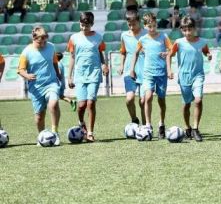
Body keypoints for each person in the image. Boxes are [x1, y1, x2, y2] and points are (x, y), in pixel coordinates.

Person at [167, 16, 212, 141]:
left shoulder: (202, 41)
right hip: (184, 77)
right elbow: (169, 55)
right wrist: (169, 70)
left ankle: (196, 129)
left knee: (198, 100)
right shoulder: (179, 42)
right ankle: (187, 128)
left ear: (194, 29)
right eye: (185, 30)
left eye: (190, 30)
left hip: (198, 75)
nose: (187, 33)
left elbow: (206, 51)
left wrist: (208, 55)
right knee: (186, 104)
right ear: (181, 30)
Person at [18, 26, 64, 146]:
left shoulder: (51, 47)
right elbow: (20, 70)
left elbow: (54, 61)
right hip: (36, 88)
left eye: (45, 40)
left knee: (53, 104)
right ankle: (42, 136)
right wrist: (27, 76)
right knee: (39, 116)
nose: (43, 43)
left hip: (51, 83)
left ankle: (55, 133)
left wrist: (58, 75)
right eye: (40, 41)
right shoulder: (26, 52)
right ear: (34, 38)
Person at [67, 12, 108, 142]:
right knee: (81, 105)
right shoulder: (74, 38)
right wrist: (69, 76)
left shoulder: (98, 38)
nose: (84, 28)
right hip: (80, 74)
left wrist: (104, 65)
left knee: (91, 103)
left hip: (94, 73)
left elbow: (101, 53)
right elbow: (72, 57)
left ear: (91, 24)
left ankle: (90, 132)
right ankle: (81, 122)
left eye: (86, 25)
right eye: (82, 25)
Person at [131, 12, 172, 139]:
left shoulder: (163, 37)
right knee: (147, 97)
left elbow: (171, 50)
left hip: (161, 74)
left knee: (161, 100)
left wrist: (168, 64)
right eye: (150, 27)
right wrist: (131, 69)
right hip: (148, 74)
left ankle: (161, 124)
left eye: (154, 26)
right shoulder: (142, 40)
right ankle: (148, 125)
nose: (152, 29)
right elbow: (135, 53)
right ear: (145, 27)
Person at [118, 10, 146, 124]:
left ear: (139, 22)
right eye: (129, 25)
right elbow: (123, 52)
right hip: (129, 71)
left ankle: (146, 126)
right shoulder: (124, 35)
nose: (131, 27)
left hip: (144, 70)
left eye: (134, 24)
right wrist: (121, 65)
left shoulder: (146, 34)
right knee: (129, 99)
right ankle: (134, 120)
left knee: (143, 100)